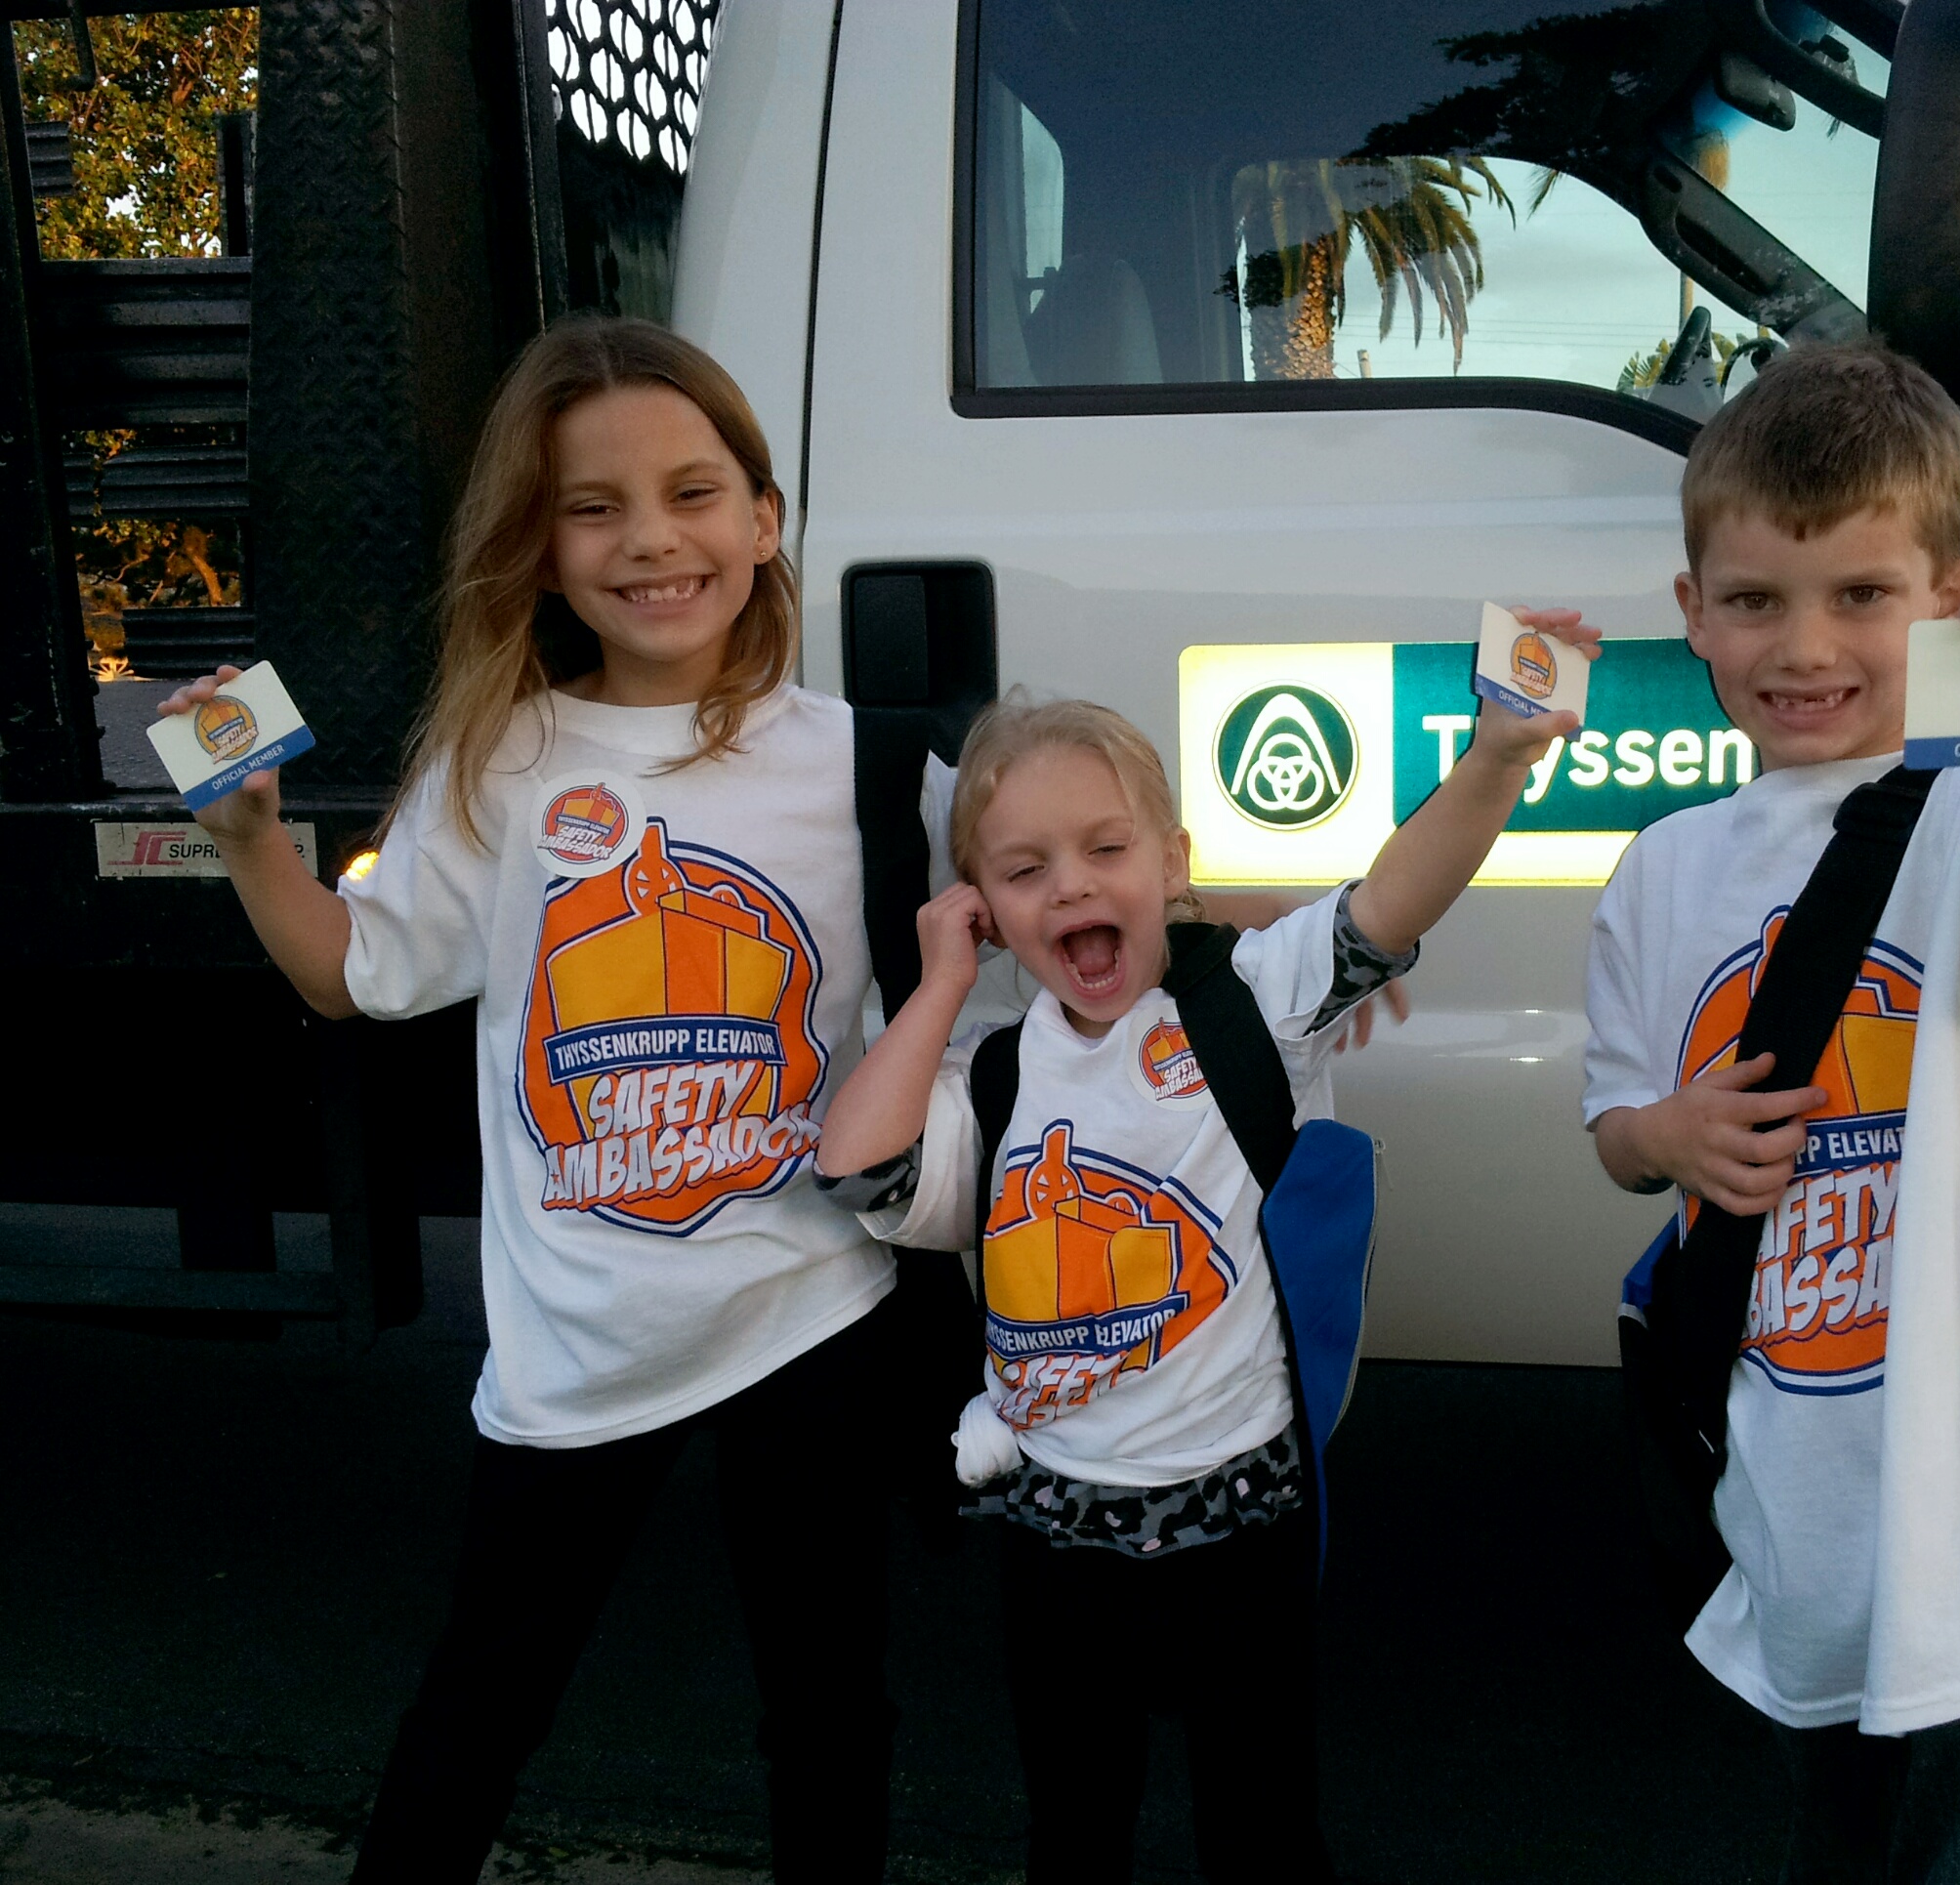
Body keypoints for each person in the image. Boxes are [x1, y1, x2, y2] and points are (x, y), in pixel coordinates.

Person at [156, 316, 919, 1883]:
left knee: (833, 1714)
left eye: (692, 492)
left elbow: (1074, 885)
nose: (651, 539)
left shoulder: (870, 762)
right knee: (484, 1700)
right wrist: (247, 839)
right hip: (579, 1339)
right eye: (593, 506)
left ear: (763, 519)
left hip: (810, 1307)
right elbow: (354, 975)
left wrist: (1274, 943)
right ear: (543, 548)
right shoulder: (501, 760)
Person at [813, 671, 1593, 1882]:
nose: (1071, 885)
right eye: (1023, 870)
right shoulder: (990, 1073)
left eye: (1105, 847)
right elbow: (856, 1170)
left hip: (1242, 1519)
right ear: (984, 909)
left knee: (1262, 1832)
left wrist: (1495, 761)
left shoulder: (1251, 1004)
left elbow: (1390, 903)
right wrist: (942, 982)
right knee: (1076, 1835)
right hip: (1057, 1533)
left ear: (1170, 861)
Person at [1580, 343, 1960, 1882]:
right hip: (1805, 1549)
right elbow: (1616, 1124)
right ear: (1691, 605)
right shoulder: (1658, 869)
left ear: (1950, 592)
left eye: (1860, 593)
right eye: (1754, 598)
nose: (1804, 645)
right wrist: (1666, 1135)